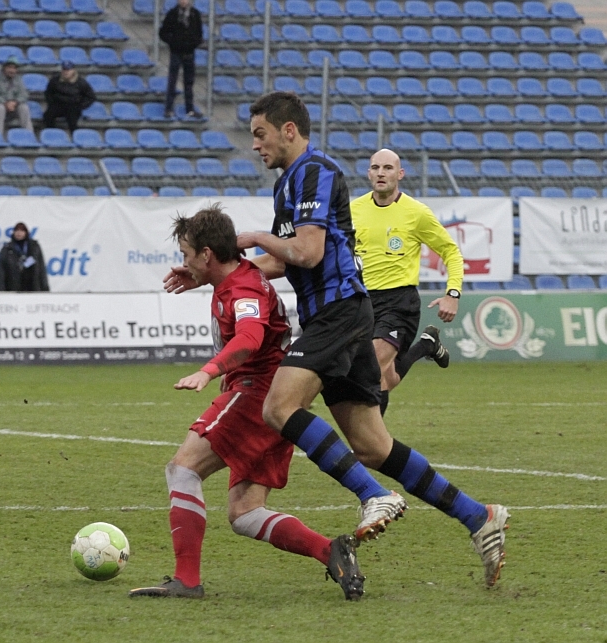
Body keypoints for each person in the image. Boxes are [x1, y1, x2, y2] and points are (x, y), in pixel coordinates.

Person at [222, 91, 507, 587]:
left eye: (260, 134)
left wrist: (254, 237)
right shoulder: (287, 182)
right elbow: (282, 260)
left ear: (289, 130)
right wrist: (220, 273)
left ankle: (372, 494)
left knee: (277, 408)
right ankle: (477, 516)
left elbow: (306, 253)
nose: (254, 145)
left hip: (339, 312)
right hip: (341, 315)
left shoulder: (317, 170)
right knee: (373, 445)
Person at [128, 206, 364, 601]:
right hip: (273, 398)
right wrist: (200, 278)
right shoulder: (237, 277)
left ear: (206, 253)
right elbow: (236, 282)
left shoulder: (242, 289)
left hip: (256, 394)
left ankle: (186, 580)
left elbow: (250, 336)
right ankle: (330, 550)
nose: (183, 261)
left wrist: (209, 370)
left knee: (182, 470)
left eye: (187, 254)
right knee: (245, 512)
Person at [351, 149, 461, 418]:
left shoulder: (416, 213)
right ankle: (426, 345)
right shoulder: (353, 210)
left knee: (373, 368)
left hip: (399, 303)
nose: (380, 173)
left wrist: (453, 293)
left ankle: (373, 445)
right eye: (375, 167)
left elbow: (451, 252)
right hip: (362, 302)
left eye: (388, 168)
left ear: (399, 174)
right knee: (386, 378)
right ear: (368, 173)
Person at [158, 0, 202, 119]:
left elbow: (199, 34)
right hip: (176, 53)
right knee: (172, 81)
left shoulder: (195, 14)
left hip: (189, 53)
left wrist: (193, 44)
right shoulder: (172, 14)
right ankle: (168, 108)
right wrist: (173, 42)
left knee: (189, 82)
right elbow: (162, 33)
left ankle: (190, 109)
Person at [0, 57, 32, 136]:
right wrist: (5, 103)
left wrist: (15, 102)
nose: (12, 71)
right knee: (0, 108)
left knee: (24, 107)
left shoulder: (18, 79)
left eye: (14, 68)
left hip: (12, 107)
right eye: (9, 67)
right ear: (4, 68)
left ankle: (29, 136)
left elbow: (24, 94)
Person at [42, 61, 96, 133]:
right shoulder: (55, 80)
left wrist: (80, 106)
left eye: (68, 70)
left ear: (73, 70)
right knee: (48, 115)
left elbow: (91, 97)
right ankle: (52, 133)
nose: (66, 72)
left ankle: (75, 136)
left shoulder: (81, 82)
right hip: (58, 104)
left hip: (73, 106)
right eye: (64, 70)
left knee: (72, 120)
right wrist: (51, 103)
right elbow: (48, 93)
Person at [0, 222, 47, 292]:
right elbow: (1, 272)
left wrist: (45, 288)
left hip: (33, 286)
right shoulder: (7, 249)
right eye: (17, 230)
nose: (19, 233)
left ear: (26, 232)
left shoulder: (34, 247)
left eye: (22, 231)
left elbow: (41, 268)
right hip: (13, 287)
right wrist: (1, 290)